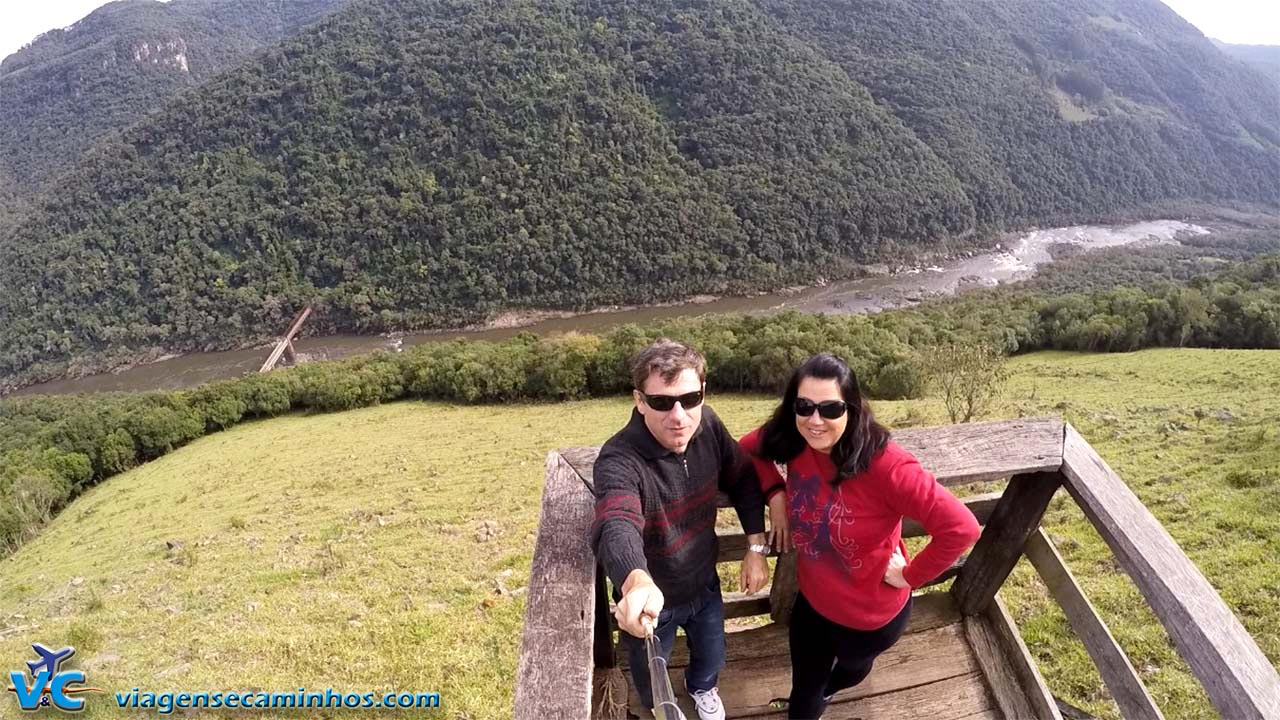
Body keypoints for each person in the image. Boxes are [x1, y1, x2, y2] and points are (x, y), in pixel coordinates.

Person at [738, 353, 980, 719]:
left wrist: (910, 576)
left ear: (851, 408)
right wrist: (776, 495)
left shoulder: (886, 466)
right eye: (804, 406)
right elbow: (748, 448)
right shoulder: (795, 436)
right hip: (813, 605)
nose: (815, 420)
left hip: (869, 620)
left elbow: (961, 527)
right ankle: (814, 699)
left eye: (830, 409)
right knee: (805, 691)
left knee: (851, 672)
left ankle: (832, 689)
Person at [590, 339, 770, 720]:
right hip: (654, 605)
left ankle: (702, 688)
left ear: (702, 393)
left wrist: (756, 547)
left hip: (704, 585)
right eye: (661, 402)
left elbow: (743, 478)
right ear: (639, 401)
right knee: (646, 668)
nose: (678, 415)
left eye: (689, 399)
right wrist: (636, 581)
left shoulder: (709, 426)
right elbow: (616, 521)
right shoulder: (619, 460)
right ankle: (660, 706)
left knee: (713, 654)